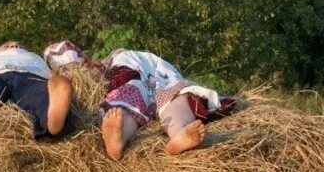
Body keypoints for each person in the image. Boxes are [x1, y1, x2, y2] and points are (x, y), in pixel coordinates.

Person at [45, 43, 241, 160]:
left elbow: (108, 68)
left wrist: (97, 70)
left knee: (177, 99)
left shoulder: (115, 61)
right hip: (134, 86)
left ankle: (179, 136)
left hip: (154, 77)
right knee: (123, 105)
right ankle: (117, 139)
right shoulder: (95, 86)